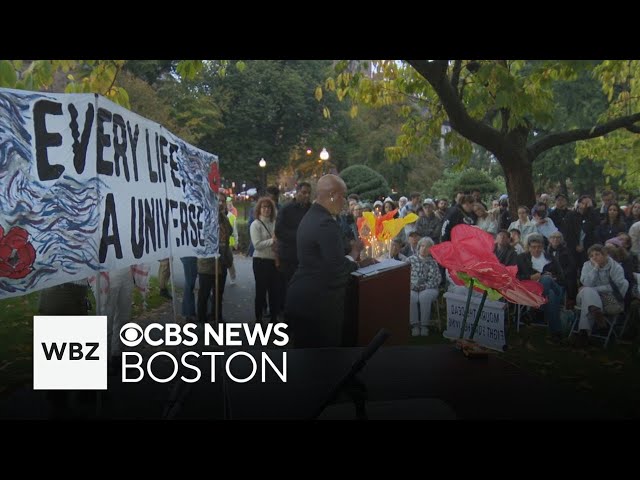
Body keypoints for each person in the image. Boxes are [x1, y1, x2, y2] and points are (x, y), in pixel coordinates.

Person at [285, 174, 376, 348]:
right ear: (333, 194)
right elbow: (337, 269)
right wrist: (355, 254)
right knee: (323, 364)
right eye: (343, 196)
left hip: (303, 298)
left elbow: (324, 258)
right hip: (317, 304)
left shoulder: (313, 216)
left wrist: (353, 258)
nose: (345, 202)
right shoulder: (325, 222)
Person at [274, 182, 312, 306]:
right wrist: (299, 235)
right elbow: (279, 231)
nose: (307, 196)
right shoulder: (286, 209)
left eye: (309, 193)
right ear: (297, 193)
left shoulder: (311, 209)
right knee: (289, 287)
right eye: (304, 193)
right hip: (289, 256)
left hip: (306, 257)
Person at [250, 196, 279, 325]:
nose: (266, 209)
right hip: (260, 261)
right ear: (259, 209)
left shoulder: (275, 223)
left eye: (268, 207)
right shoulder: (255, 224)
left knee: (274, 291)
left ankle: (274, 317)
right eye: (263, 207)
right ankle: (258, 318)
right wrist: (272, 240)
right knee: (261, 290)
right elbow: (257, 245)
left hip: (273, 261)